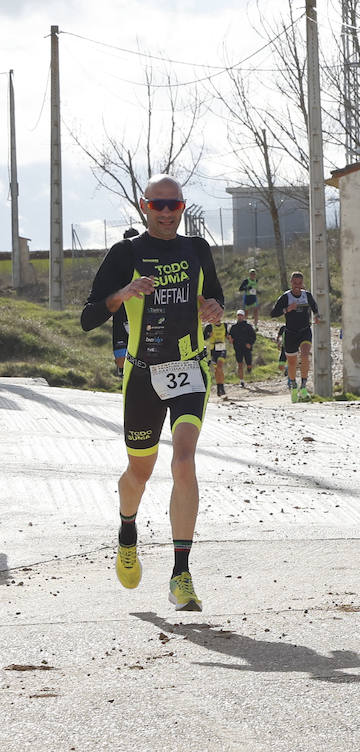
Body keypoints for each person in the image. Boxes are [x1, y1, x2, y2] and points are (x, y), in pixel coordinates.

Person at [80, 174, 225, 612]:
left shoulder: (197, 250)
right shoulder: (126, 253)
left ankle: (181, 574)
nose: (166, 213)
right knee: (139, 474)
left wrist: (213, 310)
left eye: (174, 205)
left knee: (183, 460)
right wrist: (122, 294)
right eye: (158, 205)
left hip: (188, 367)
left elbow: (214, 304)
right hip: (142, 374)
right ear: (145, 206)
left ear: (183, 208)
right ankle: (127, 530)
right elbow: (88, 317)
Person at [270, 271, 319, 401]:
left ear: (302, 283)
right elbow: (273, 313)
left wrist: (317, 316)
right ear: (291, 283)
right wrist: (287, 309)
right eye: (295, 283)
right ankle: (293, 387)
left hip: (304, 331)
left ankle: (303, 387)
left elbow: (314, 307)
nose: (297, 286)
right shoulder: (285, 297)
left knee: (304, 355)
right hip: (291, 333)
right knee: (292, 363)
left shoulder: (307, 295)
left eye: (299, 283)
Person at [109, 229, 142, 373]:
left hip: (140, 309)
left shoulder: (146, 256)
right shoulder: (117, 257)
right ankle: (124, 374)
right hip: (122, 310)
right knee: (122, 359)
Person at [228, 308, 257, 387]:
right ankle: (242, 381)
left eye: (241, 315)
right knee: (240, 364)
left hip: (247, 348)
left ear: (244, 316)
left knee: (249, 364)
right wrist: (230, 339)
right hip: (238, 348)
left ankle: (249, 369)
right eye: (238, 315)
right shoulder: (233, 327)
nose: (239, 317)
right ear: (236, 316)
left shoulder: (248, 326)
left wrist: (250, 344)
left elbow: (254, 336)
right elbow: (230, 337)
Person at [205, 317, 230, 396]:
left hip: (222, 348)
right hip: (214, 350)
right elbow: (203, 337)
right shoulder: (209, 327)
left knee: (219, 366)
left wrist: (230, 338)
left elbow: (227, 336)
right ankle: (219, 388)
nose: (218, 319)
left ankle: (221, 387)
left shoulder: (224, 325)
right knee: (217, 370)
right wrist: (209, 334)